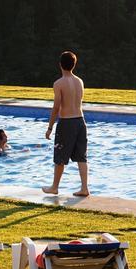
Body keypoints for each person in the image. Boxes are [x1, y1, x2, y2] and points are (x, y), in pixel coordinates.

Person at [42, 51, 90, 197]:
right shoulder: (80, 81)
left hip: (67, 122)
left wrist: (50, 127)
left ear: (60, 65)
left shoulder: (59, 84)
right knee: (81, 156)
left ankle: (54, 187)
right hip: (80, 121)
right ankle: (84, 188)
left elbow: (56, 107)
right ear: (74, 65)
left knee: (60, 156)